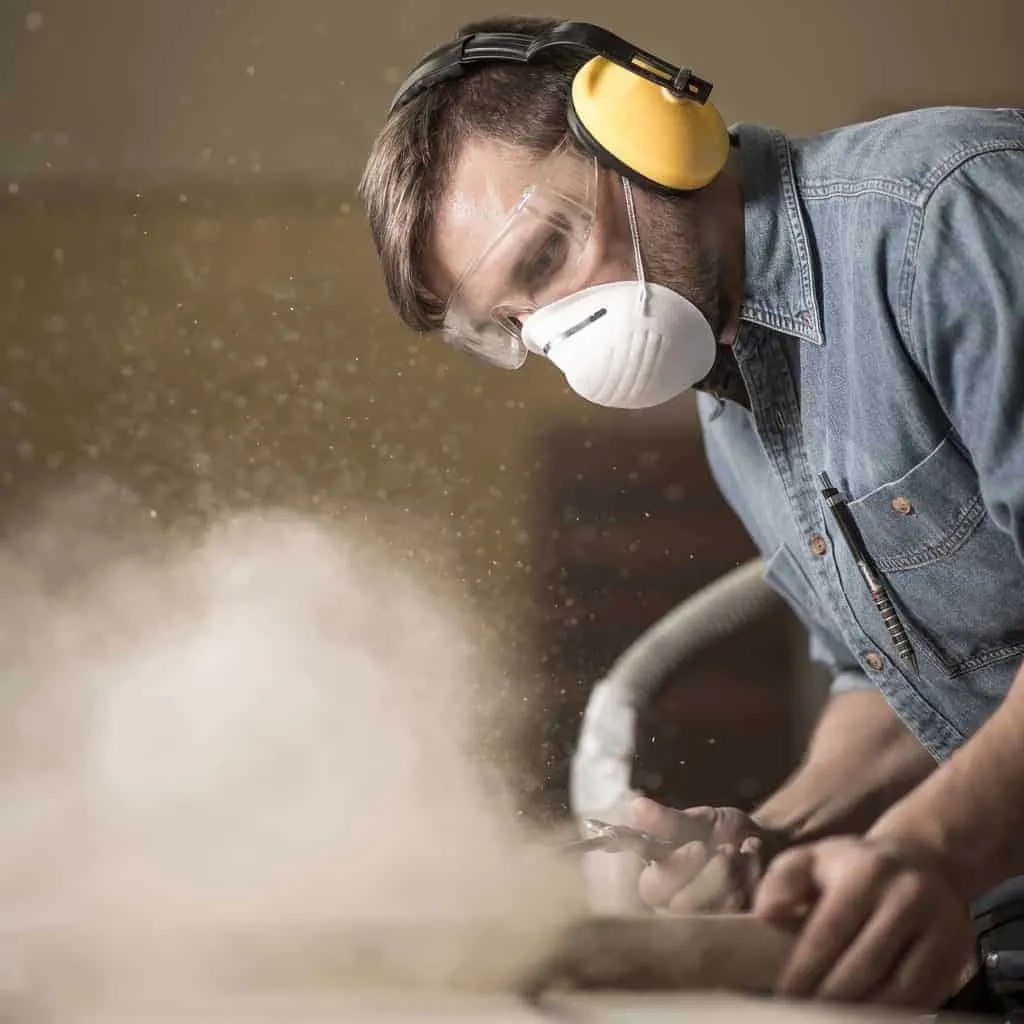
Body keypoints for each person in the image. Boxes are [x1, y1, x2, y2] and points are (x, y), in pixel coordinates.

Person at [358, 15, 1024, 1012]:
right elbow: (901, 679)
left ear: (649, 135)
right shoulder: (733, 401)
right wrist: (770, 838)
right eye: (513, 325)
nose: (560, 338)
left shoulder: (943, 220)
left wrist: (929, 846)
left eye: (544, 259)